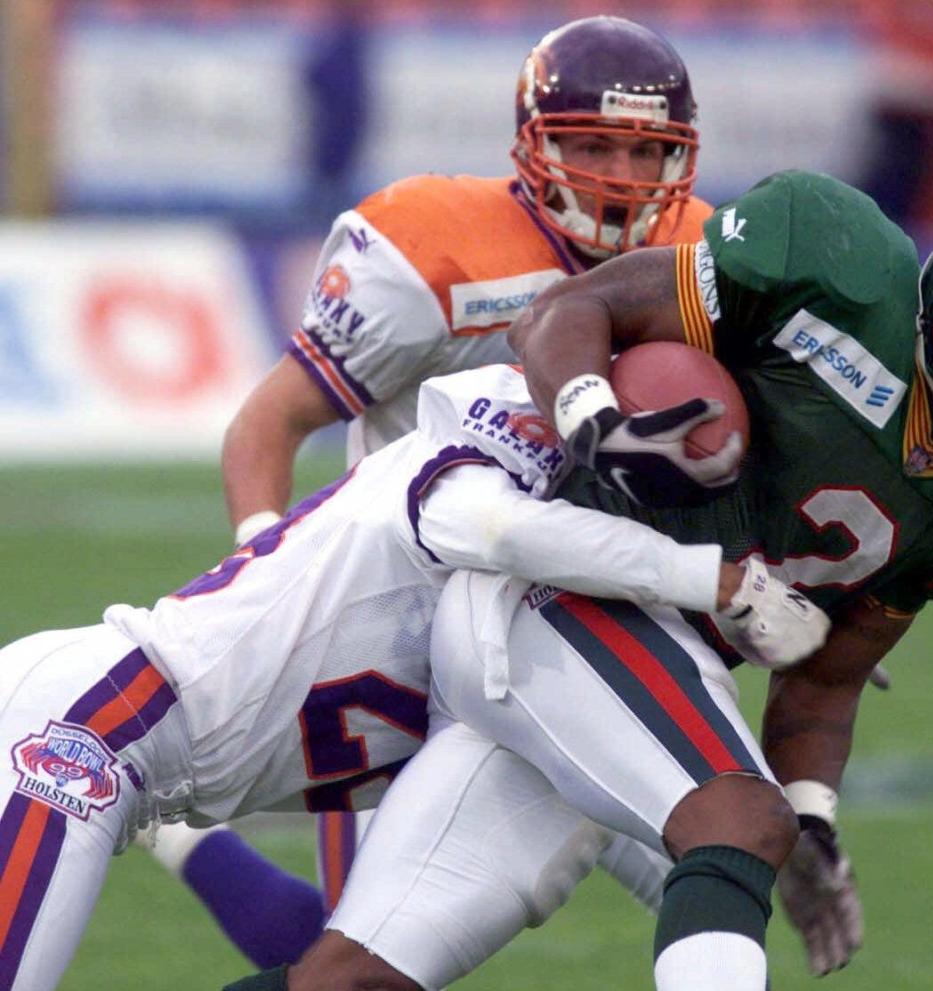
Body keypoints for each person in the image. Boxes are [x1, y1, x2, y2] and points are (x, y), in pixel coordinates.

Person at [240, 172, 933, 991]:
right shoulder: (840, 270)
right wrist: (597, 426)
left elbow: (826, 675)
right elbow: (571, 307)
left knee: (354, 978)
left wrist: (814, 818)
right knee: (738, 817)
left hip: (628, 667)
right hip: (563, 586)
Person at [137, 14, 715, 969]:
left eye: (642, 149)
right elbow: (269, 421)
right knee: (351, 949)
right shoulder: (431, 248)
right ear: (534, 145)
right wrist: (270, 574)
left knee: (735, 849)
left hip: (582, 610)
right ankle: (181, 832)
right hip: (406, 618)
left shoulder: (695, 259)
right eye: (591, 143)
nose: (619, 173)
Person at [0, 357, 829, 991]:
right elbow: (504, 530)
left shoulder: (529, 634)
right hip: (88, 727)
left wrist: (755, 858)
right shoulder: (468, 475)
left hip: (149, 761)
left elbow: (598, 798)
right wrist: (711, 579)